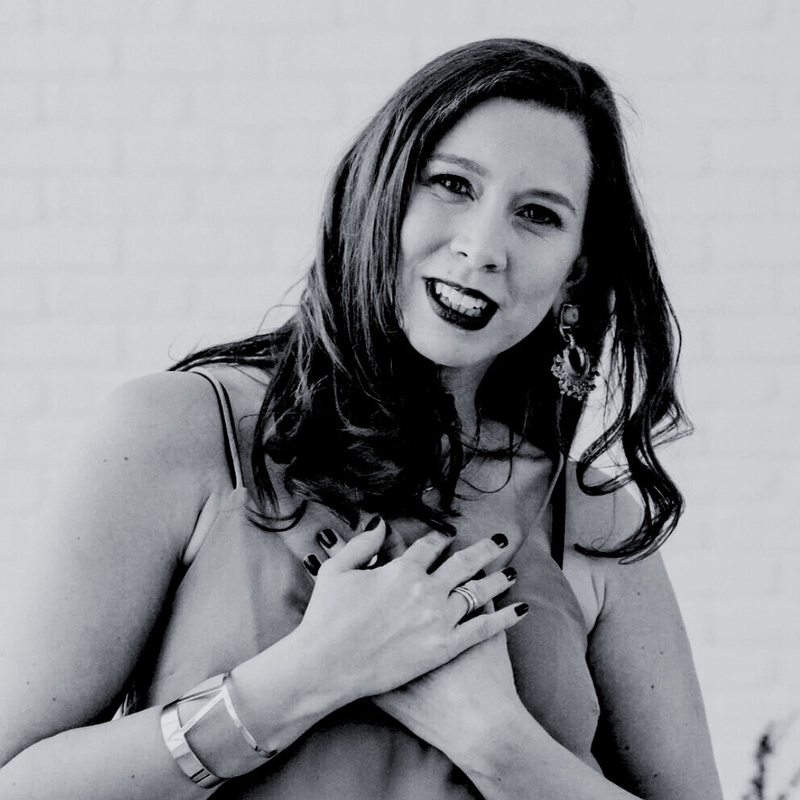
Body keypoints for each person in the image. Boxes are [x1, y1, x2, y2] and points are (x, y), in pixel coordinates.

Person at [0, 38, 723, 800]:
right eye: (452, 184)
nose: (483, 247)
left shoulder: (594, 519)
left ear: (575, 270)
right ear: (380, 193)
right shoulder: (177, 432)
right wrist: (307, 676)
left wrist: (496, 741)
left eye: (538, 215)